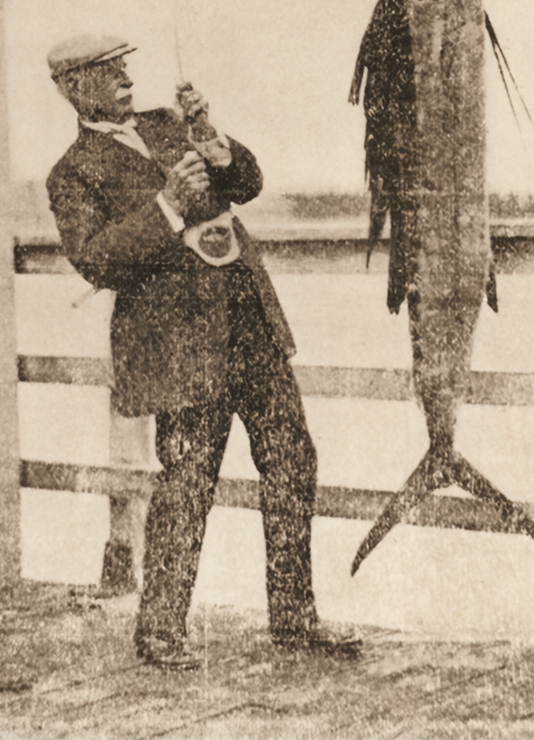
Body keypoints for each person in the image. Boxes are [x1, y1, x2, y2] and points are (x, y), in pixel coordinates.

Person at [45, 34, 361, 670]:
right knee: (187, 484)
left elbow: (247, 183)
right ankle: (160, 633)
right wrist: (168, 206)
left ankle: (295, 620)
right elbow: (96, 260)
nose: (126, 78)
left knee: (294, 462)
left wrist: (215, 141)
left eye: (125, 67)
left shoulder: (169, 125)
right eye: (108, 72)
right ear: (73, 87)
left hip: (249, 328)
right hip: (180, 348)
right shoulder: (71, 173)